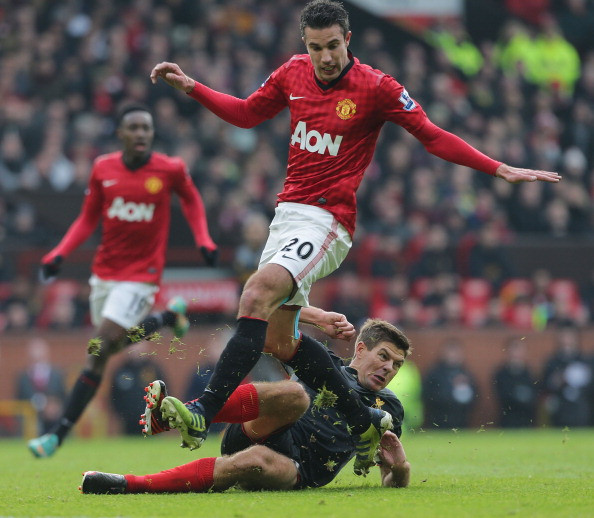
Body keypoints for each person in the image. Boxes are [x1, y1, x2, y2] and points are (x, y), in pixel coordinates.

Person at [147, 0, 560, 474]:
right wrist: (193, 87)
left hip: (327, 220)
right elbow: (246, 113)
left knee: (256, 292)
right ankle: (363, 422)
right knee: (280, 343)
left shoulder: (377, 87)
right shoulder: (293, 72)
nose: (325, 56)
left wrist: (496, 167)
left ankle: (202, 411)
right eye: (315, 47)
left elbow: (431, 135)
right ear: (305, 44)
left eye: (333, 46)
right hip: (286, 217)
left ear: (348, 39)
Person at [27, 103, 218, 458]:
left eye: (147, 128)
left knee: (99, 346)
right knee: (101, 354)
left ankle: (56, 434)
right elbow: (87, 219)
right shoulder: (103, 168)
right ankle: (168, 317)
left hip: (141, 277)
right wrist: (59, 253)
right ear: (121, 134)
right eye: (134, 127)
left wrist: (204, 239)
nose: (141, 133)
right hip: (104, 276)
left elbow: (192, 201)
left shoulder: (169, 168)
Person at [81, 319, 412, 493]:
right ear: (361, 349)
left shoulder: (389, 408)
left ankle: (127, 484)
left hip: (300, 470)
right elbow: (274, 324)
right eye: (384, 356)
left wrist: (400, 469)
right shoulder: (325, 365)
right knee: (296, 395)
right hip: (264, 428)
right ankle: (178, 417)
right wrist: (315, 316)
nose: (389, 368)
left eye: (396, 364)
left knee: (254, 460)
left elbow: (389, 482)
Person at [422, 339, 478, 429]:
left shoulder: (466, 374)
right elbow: (429, 396)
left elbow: (475, 397)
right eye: (450, 352)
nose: (453, 356)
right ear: (443, 354)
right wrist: (450, 391)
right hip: (438, 422)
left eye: (456, 353)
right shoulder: (433, 374)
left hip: (461, 422)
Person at [16, 337, 67, 435]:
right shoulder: (23, 378)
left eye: (40, 357)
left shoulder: (57, 375)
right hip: (31, 424)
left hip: (54, 423)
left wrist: (55, 408)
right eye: (34, 358)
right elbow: (19, 402)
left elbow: (64, 398)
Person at [492, 337, 537, 428]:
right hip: (508, 421)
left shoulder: (530, 373)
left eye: (519, 349)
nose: (516, 353)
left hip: (527, 421)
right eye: (514, 349)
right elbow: (502, 397)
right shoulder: (501, 374)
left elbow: (535, 396)